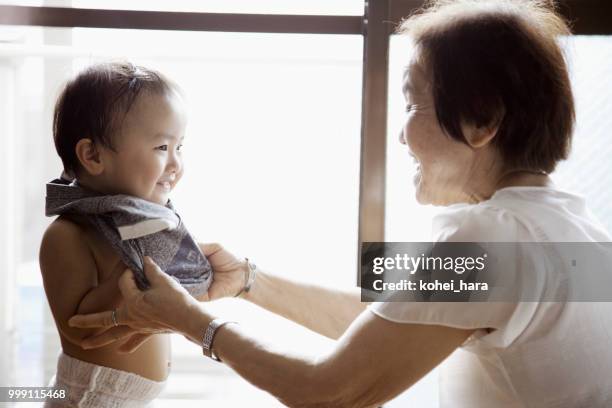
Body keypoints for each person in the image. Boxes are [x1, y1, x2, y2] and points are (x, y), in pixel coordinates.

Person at [68, 1, 612, 407]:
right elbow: (383, 321)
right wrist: (251, 281)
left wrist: (192, 323)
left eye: (411, 103)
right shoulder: (575, 231)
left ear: (481, 121)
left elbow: (332, 392)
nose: (401, 138)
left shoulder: (487, 239)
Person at [40, 62, 212, 407]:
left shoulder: (137, 222)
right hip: (88, 398)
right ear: (92, 155)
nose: (176, 164)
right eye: (162, 148)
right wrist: (134, 261)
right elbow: (81, 329)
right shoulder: (68, 234)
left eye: (180, 147)